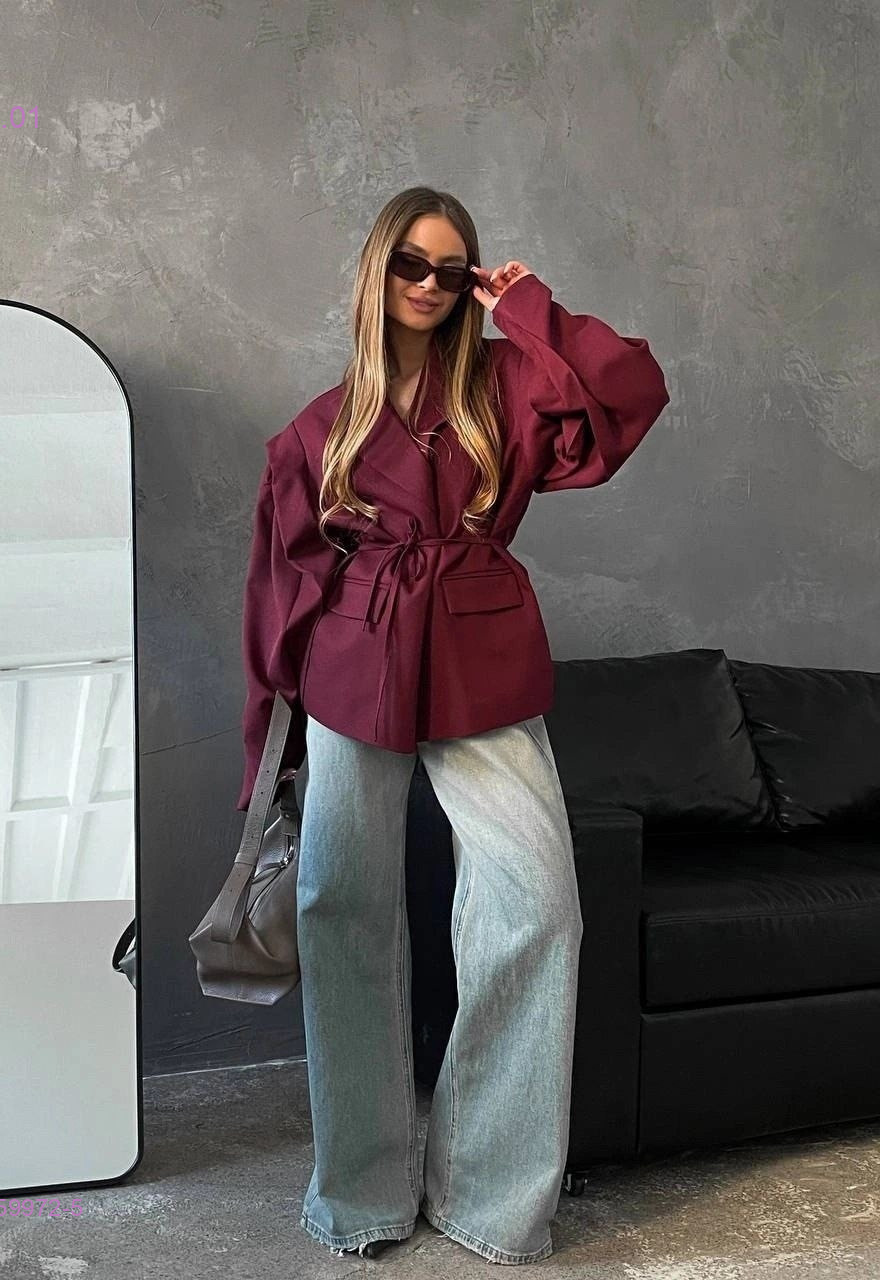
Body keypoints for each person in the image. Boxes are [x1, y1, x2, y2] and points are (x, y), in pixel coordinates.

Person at [235, 187, 670, 1264]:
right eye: (410, 265)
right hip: (353, 662)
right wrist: (266, 758)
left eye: (451, 268)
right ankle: (361, 1193)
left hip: (480, 653)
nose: (430, 285)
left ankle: (490, 1194)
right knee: (342, 909)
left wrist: (528, 308)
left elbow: (630, 393)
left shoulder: (507, 384)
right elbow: (278, 600)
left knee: (538, 904)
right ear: (377, 271)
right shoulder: (316, 430)